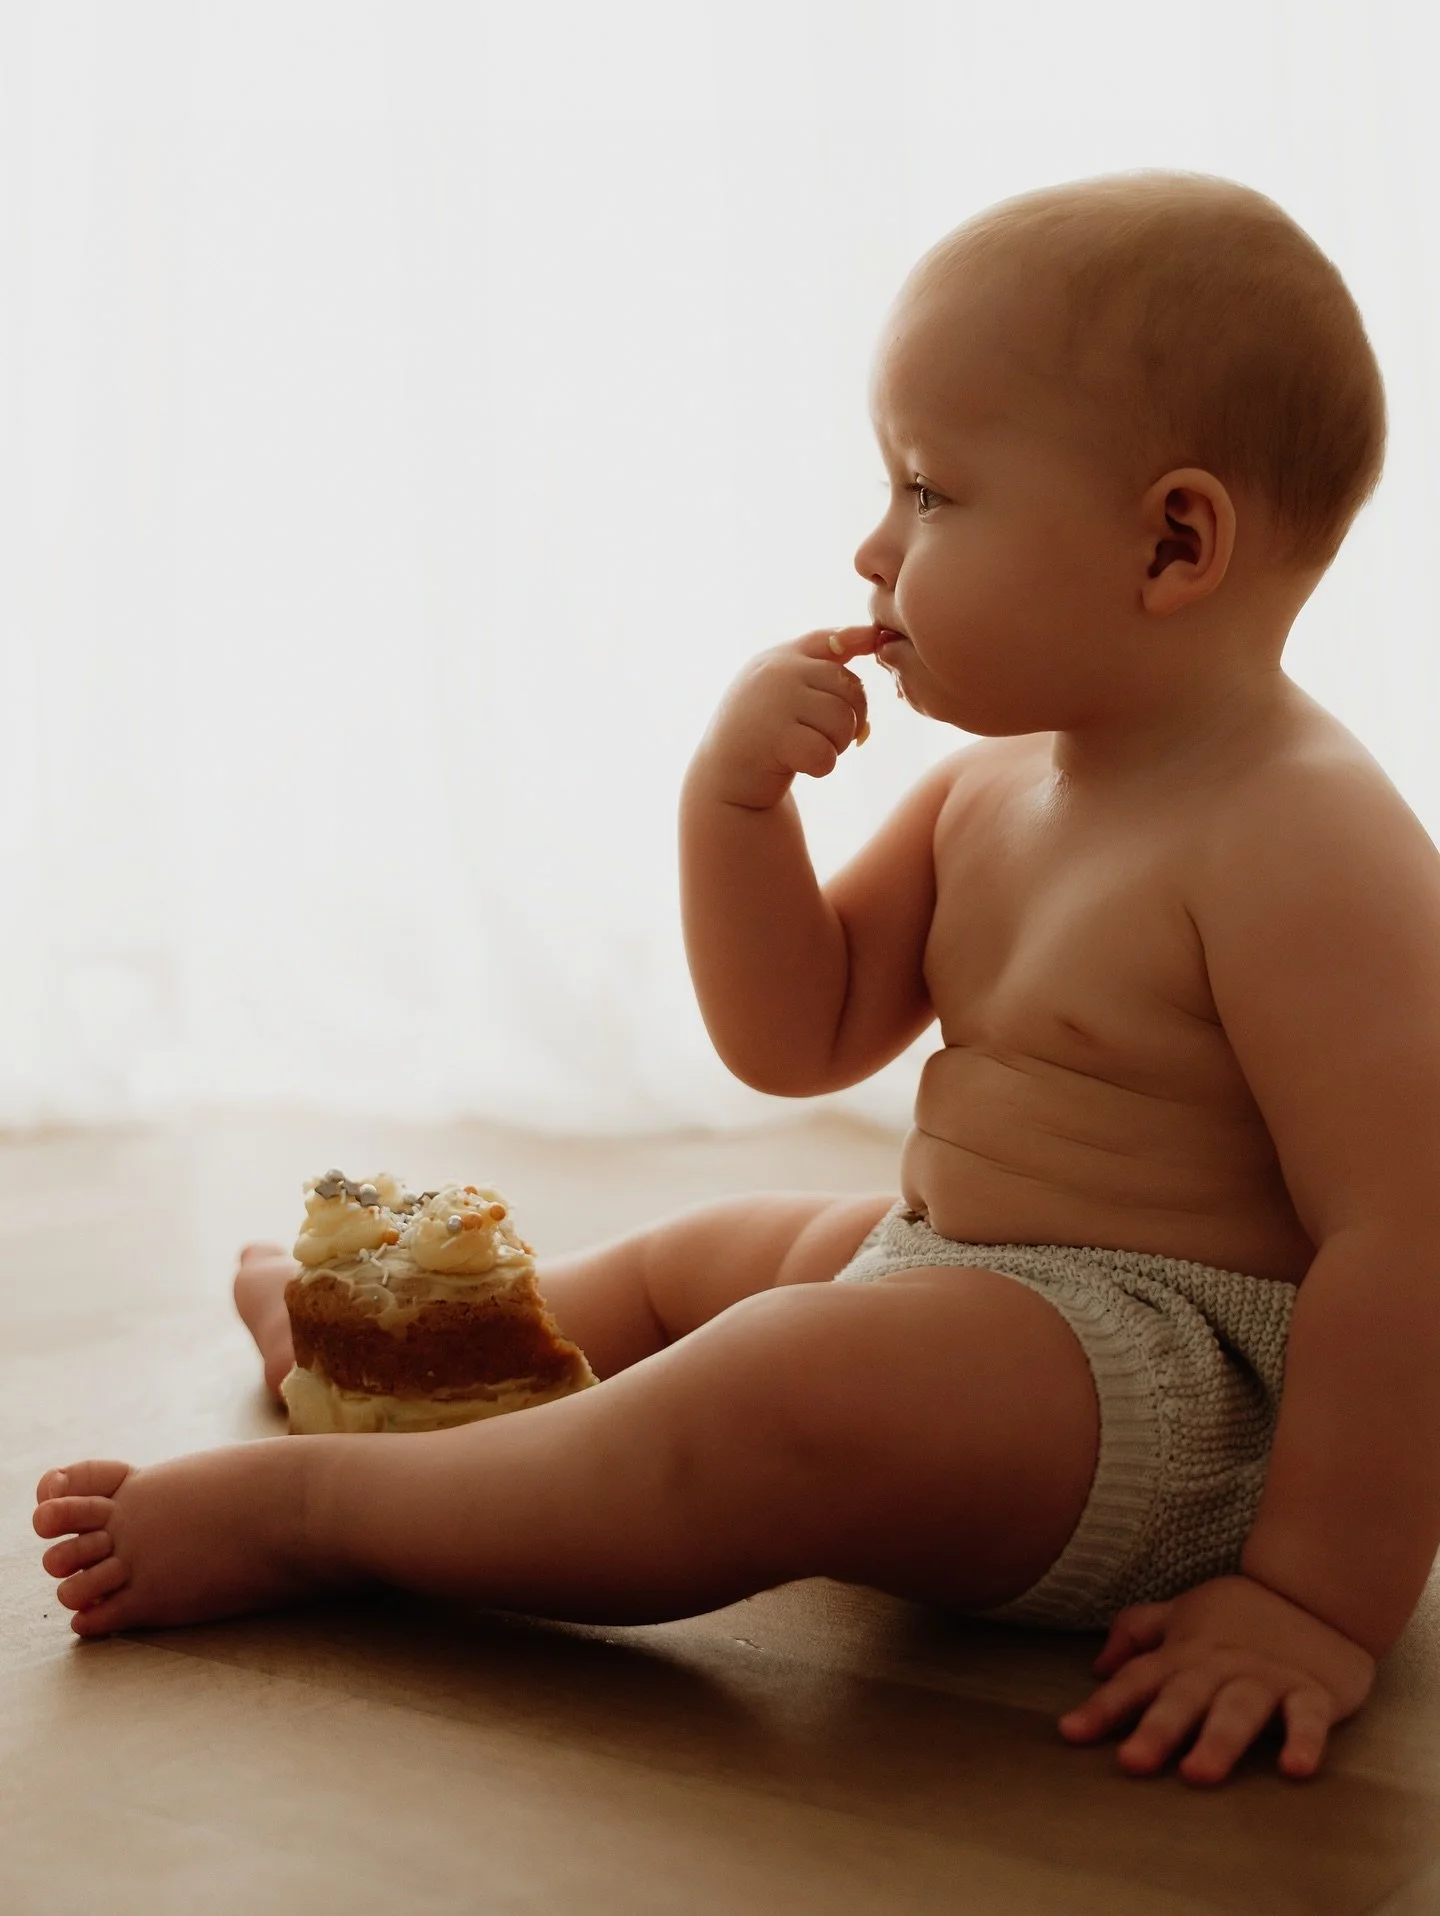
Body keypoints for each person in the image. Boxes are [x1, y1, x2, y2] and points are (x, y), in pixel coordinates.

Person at [35, 169, 1435, 1788]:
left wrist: (1312, 1603)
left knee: (790, 1371)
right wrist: (737, 808)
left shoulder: (1306, 836)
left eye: (930, 492)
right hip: (988, 1303)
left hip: (1203, 1421)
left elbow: (1407, 1233)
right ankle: (405, 1358)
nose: (872, 542)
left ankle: (331, 1519)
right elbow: (801, 1033)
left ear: (1173, 541)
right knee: (739, 1251)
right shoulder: (998, 790)